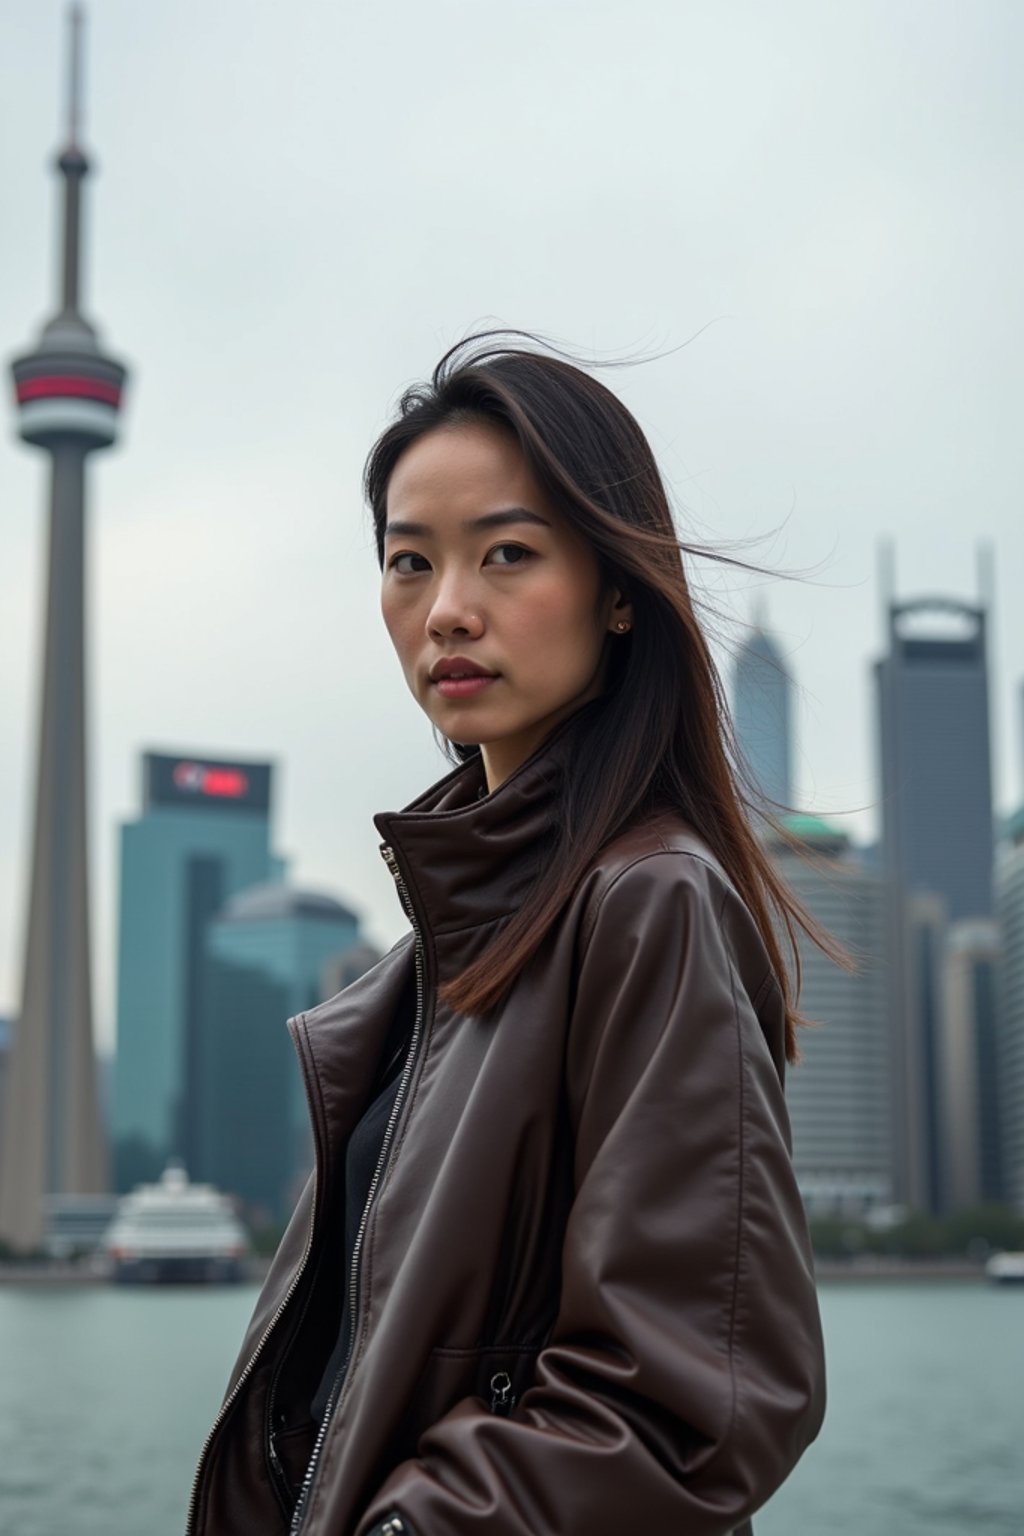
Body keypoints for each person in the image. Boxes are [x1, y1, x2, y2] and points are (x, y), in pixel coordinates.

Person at [187, 336, 828, 1536]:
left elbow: (693, 1401)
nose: (447, 611)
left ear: (619, 587)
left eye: (507, 555)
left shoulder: (649, 900)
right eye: (408, 563)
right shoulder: (442, 953)